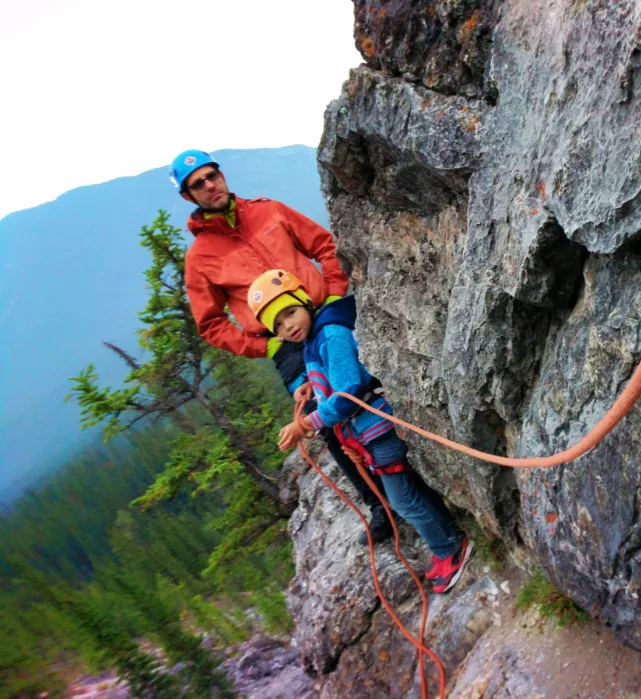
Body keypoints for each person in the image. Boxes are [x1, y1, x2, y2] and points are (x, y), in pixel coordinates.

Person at [170, 149, 392, 543]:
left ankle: (403, 464)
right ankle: (379, 505)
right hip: (283, 343)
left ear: (221, 175)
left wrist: (337, 291)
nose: (209, 186)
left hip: (324, 309)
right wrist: (265, 347)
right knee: (321, 414)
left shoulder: (268, 210)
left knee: (372, 376)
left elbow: (324, 245)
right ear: (189, 197)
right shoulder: (200, 258)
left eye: (211, 176)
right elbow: (211, 323)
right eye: (198, 184)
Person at [249, 269, 473, 593]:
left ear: (304, 301)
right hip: (369, 429)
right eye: (279, 325)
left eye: (290, 312)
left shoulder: (329, 334)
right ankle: (449, 541)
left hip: (377, 427)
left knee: (403, 499)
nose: (289, 325)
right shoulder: (316, 340)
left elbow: (348, 390)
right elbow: (333, 374)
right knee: (406, 493)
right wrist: (310, 387)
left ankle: (451, 549)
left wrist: (305, 424)